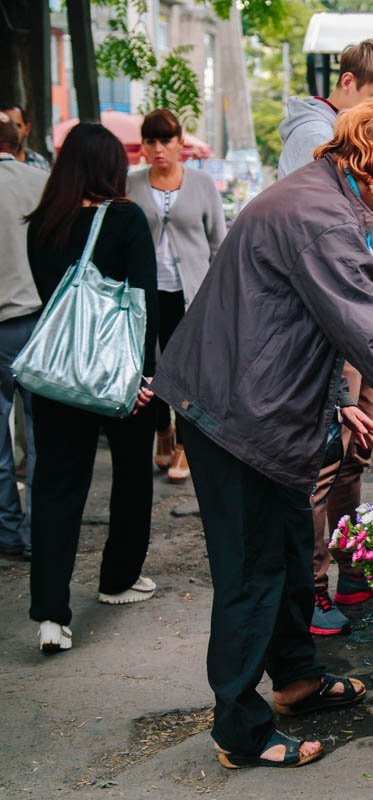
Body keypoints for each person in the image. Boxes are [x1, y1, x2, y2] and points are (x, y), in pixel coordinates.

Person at [152, 98, 373, 769]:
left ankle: (295, 678)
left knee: (285, 552)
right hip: (232, 414)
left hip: (258, 404)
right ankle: (239, 729)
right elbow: (360, 331)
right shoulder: (319, 214)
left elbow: (295, 316)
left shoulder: (320, 197)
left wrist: (339, 400)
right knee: (251, 571)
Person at [277, 37, 373, 636]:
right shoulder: (312, 137)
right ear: (349, 85)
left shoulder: (345, 134)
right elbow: (367, 217)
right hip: (328, 321)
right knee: (322, 457)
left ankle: (353, 571)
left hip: (357, 309)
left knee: (356, 449)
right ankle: (312, 590)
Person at [24, 123, 159, 653]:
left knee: (56, 488)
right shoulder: (125, 218)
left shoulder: (43, 223)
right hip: (117, 376)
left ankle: (51, 617)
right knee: (130, 476)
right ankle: (118, 578)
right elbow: (141, 302)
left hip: (59, 373)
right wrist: (143, 377)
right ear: (112, 168)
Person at [129, 109, 226, 484]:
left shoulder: (201, 184)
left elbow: (218, 244)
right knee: (148, 367)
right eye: (151, 141)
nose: (158, 149)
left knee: (187, 373)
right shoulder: (131, 184)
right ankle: (162, 431)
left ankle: (185, 443)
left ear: (179, 142)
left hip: (191, 294)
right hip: (146, 294)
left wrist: (218, 297)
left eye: (165, 140)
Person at [0, 112, 47, 561]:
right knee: (39, 436)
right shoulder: (40, 182)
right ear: (18, 142)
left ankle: (7, 528)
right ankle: (38, 532)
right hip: (33, 321)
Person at [0, 102, 51, 171]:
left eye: (17, 126)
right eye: (4, 127)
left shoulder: (39, 163)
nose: (10, 131)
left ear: (27, 129)